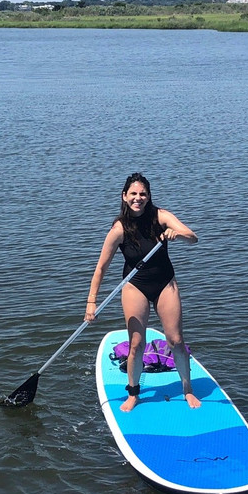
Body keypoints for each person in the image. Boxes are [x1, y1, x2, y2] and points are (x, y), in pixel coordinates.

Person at [85, 172, 199, 412]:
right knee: (136, 343)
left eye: (143, 194)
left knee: (176, 340)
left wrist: (177, 234)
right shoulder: (119, 229)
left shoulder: (161, 216)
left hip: (165, 283)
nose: (138, 198)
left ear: (148, 196)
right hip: (134, 284)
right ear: (124, 196)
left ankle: (187, 389)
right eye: (133, 194)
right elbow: (101, 268)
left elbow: (193, 237)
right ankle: (134, 393)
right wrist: (91, 303)